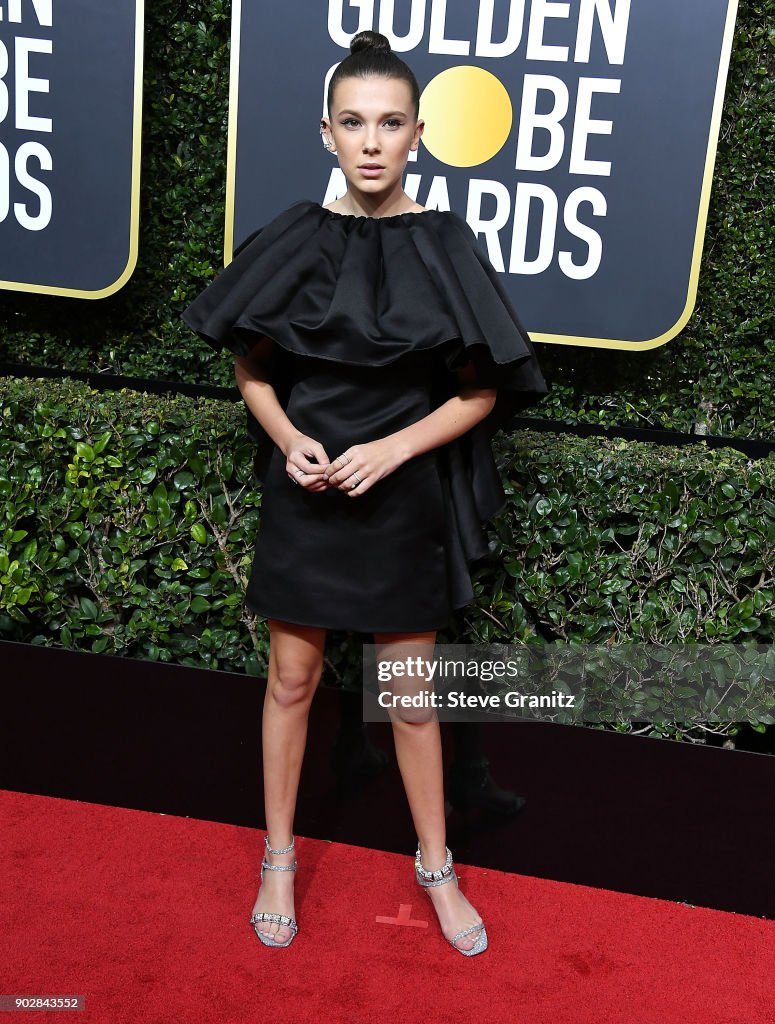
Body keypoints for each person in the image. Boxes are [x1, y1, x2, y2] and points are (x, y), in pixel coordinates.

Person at [181, 29, 549, 956]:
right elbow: (251, 370)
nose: (372, 141)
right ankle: (277, 860)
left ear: (419, 133)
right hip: (304, 495)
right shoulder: (298, 236)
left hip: (398, 500)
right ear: (326, 131)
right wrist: (292, 439)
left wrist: (389, 451)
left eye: (390, 123)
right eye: (354, 123)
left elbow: (481, 391)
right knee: (291, 682)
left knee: (412, 698)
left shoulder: (442, 244)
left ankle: (436, 866)